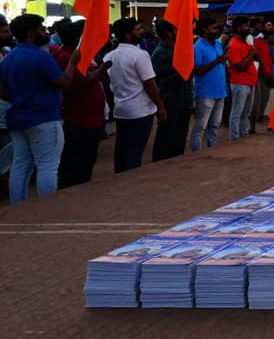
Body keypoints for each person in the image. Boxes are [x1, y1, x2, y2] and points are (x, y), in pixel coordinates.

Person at [0, 14, 80, 202]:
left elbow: (2, 91)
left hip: (18, 117)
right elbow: (65, 83)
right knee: (48, 165)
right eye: (42, 29)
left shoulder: (9, 57)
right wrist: (73, 62)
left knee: (20, 165)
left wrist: (22, 98)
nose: (45, 32)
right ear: (30, 33)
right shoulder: (39, 56)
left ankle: (17, 205)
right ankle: (47, 207)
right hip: (43, 117)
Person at [51, 20, 110, 188]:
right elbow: (79, 82)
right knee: (79, 158)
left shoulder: (75, 54)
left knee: (85, 157)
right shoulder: (67, 57)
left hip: (89, 116)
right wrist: (101, 70)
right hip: (80, 117)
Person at [105, 18, 167, 173]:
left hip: (121, 107)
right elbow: (149, 84)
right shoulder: (140, 55)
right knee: (134, 149)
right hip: (139, 109)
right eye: (138, 29)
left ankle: (120, 176)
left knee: (123, 148)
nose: (142, 32)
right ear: (128, 35)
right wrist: (160, 106)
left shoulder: (110, 55)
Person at [150, 19, 194, 162]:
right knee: (167, 136)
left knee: (179, 136)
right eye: (176, 29)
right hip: (171, 100)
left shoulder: (177, 49)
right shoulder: (161, 52)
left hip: (183, 99)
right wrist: (183, 64)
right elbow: (165, 76)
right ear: (169, 33)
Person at [191, 17, 228, 151]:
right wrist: (217, 61)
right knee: (201, 126)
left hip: (220, 90)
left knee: (215, 125)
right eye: (213, 28)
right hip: (206, 92)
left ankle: (212, 151)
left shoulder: (217, 44)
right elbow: (198, 71)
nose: (216, 31)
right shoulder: (198, 47)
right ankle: (196, 154)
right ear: (205, 30)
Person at [226, 17, 257, 142]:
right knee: (237, 112)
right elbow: (240, 66)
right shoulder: (233, 44)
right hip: (240, 82)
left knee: (246, 112)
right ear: (238, 28)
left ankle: (243, 134)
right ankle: (234, 137)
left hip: (249, 81)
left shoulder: (245, 43)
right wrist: (251, 53)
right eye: (246, 26)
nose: (248, 28)